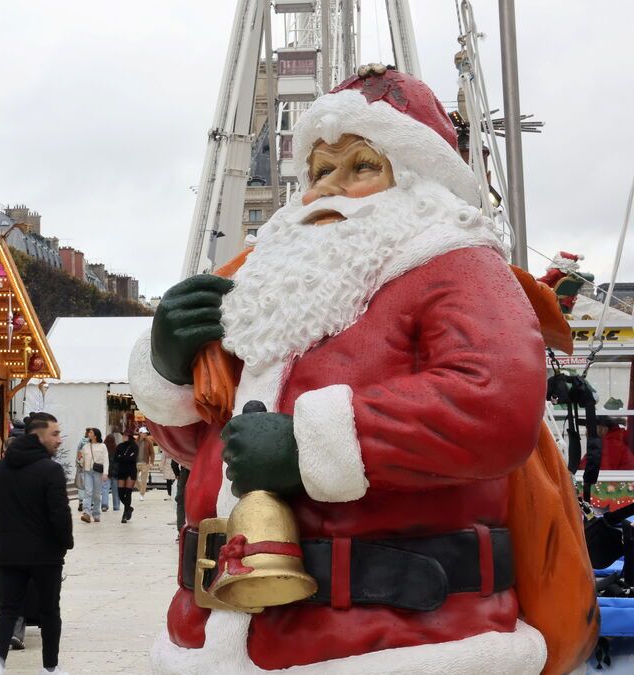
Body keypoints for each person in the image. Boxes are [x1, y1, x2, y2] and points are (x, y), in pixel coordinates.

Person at [129, 66, 596, 673]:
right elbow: (208, 448)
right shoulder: (265, 281)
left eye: (361, 166)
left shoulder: (454, 267)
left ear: (420, 182)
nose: (330, 188)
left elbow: (492, 403)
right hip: (211, 638)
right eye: (320, 170)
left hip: (396, 642)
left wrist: (307, 443)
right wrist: (170, 369)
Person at [0, 413, 73, 675]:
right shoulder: (50, 470)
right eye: (54, 434)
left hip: (10, 552)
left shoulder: (1, 469)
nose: (59, 439)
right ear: (38, 436)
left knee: (7, 609)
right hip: (45, 555)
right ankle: (50, 667)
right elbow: (60, 514)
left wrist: (2, 541)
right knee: (49, 611)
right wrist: (64, 544)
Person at [77, 428, 108, 523]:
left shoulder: (102, 446)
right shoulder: (85, 447)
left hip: (98, 472)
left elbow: (106, 460)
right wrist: (80, 460)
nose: (88, 434)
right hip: (87, 471)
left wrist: (105, 473)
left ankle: (96, 513)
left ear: (95, 435)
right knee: (88, 492)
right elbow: (82, 460)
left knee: (97, 494)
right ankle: (86, 513)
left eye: (90, 432)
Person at [111, 431, 139, 523]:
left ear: (130, 436)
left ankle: (125, 514)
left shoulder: (134, 446)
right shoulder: (120, 446)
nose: (123, 437)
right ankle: (129, 508)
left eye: (125, 435)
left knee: (128, 492)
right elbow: (116, 458)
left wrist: (122, 457)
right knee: (120, 493)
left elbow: (132, 458)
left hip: (131, 470)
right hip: (121, 470)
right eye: (123, 435)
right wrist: (125, 457)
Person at [101, 427, 120, 512]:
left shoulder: (103, 449)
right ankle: (116, 506)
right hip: (115, 473)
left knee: (105, 489)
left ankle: (104, 505)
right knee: (115, 490)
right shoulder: (117, 449)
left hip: (106, 472)